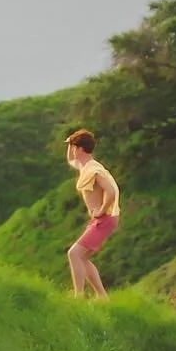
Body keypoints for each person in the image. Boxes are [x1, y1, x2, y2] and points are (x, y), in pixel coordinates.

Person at [64, 128, 120, 300]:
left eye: (74, 147)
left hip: (104, 219)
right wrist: (69, 142)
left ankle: (78, 296)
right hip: (105, 220)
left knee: (74, 254)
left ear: (80, 149)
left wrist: (102, 210)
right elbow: (71, 160)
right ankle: (102, 297)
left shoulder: (93, 169)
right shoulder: (85, 165)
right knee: (82, 258)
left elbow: (111, 191)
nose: (73, 151)